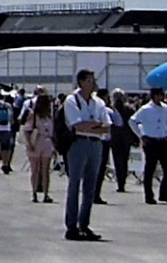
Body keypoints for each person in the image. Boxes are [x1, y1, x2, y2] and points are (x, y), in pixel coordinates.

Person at [62, 69, 109, 241]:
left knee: (90, 187)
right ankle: (71, 225)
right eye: (89, 80)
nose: (93, 83)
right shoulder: (72, 100)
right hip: (78, 144)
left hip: (95, 144)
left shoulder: (98, 102)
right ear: (81, 82)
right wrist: (95, 124)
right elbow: (77, 125)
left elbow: (107, 127)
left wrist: (91, 126)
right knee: (74, 184)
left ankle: (84, 224)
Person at [128, 85, 167, 205]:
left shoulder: (165, 108)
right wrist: (141, 135)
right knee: (150, 169)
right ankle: (149, 196)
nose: (161, 97)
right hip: (151, 141)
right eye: (159, 95)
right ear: (154, 96)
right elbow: (132, 121)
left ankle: (164, 194)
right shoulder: (146, 109)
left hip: (162, 140)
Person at [21, 93, 57, 204]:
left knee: (45, 170)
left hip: (47, 142)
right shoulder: (33, 115)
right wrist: (29, 144)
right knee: (35, 169)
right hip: (36, 141)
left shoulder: (49, 117)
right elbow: (26, 130)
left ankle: (46, 193)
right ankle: (34, 193)